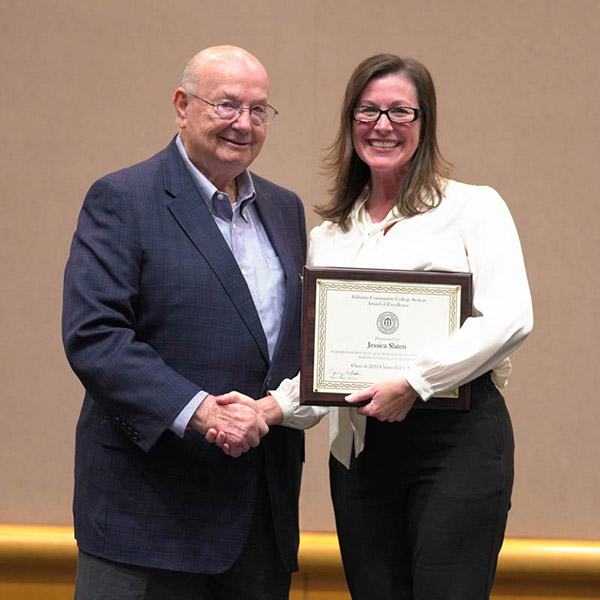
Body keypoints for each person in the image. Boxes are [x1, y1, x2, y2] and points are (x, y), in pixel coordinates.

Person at [216, 54, 533, 599]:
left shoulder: (473, 208)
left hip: (455, 447)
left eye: (400, 112)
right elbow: (325, 369)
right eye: (368, 111)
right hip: (361, 456)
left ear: (424, 123)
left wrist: (413, 382)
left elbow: (510, 317)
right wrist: (267, 409)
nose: (382, 126)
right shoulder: (331, 234)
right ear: (350, 121)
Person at [62, 45, 308, 599]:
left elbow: (296, 348)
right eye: (226, 105)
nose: (243, 124)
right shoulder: (124, 198)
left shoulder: (286, 209)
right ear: (182, 105)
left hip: (258, 521)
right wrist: (200, 412)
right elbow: (96, 337)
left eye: (259, 109)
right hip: (147, 517)